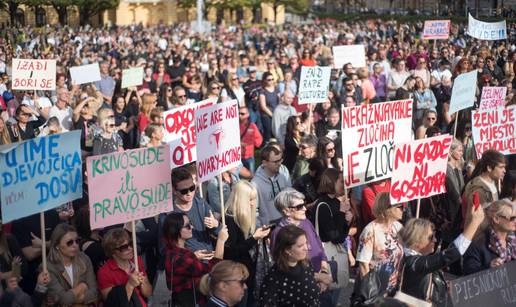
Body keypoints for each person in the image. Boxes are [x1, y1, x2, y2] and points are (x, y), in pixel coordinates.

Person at [397, 199, 485, 306]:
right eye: (430, 237)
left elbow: (449, 251)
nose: (435, 240)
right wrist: (474, 223)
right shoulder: (413, 263)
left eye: (434, 236)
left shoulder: (417, 260)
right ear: (416, 241)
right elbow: (449, 255)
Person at [163, 212, 228, 307]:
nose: (192, 228)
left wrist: (194, 256)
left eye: (191, 224)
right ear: (176, 231)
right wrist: (221, 241)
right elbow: (213, 269)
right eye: (188, 226)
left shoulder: (176, 252)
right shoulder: (178, 258)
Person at [224, 181, 270, 306]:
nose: (252, 203)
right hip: (237, 273)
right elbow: (233, 251)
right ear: (241, 199)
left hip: (249, 270)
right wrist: (254, 238)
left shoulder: (246, 214)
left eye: (254, 199)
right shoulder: (229, 219)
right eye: (250, 199)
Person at [260, 225, 329, 307]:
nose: (307, 248)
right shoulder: (273, 278)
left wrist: (319, 284)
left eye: (306, 243)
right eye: (300, 246)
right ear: (287, 250)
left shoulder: (306, 264)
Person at [270, 189, 328, 274]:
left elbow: (318, 242)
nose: (305, 208)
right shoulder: (278, 233)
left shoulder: (306, 222)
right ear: (286, 211)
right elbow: (280, 263)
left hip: (321, 272)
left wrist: (324, 264)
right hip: (301, 282)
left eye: (304, 204)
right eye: (299, 206)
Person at [356, 192, 404, 294]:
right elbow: (363, 264)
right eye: (400, 206)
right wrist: (369, 292)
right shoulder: (370, 230)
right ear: (388, 208)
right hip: (376, 288)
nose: (403, 209)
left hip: (395, 288)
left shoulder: (399, 228)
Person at [97, 228, 152, 306]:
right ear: (112, 251)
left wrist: (143, 283)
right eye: (124, 247)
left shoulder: (137, 260)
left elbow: (148, 293)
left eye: (130, 244)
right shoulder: (104, 272)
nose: (130, 248)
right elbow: (112, 304)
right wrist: (130, 285)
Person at [46, 224, 98, 306]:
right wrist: (82, 286)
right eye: (69, 242)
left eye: (77, 241)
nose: (75, 245)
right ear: (57, 246)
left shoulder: (84, 258)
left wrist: (72, 298)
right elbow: (64, 300)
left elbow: (94, 292)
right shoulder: (48, 267)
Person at [172, 167, 220, 252]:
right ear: (174, 191)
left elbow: (218, 233)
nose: (189, 193)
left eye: (192, 188)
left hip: (209, 258)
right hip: (188, 262)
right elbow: (165, 249)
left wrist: (215, 225)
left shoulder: (201, 204)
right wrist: (192, 256)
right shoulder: (169, 214)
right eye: (184, 191)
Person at [463, 200, 515, 274]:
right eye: (512, 218)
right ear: (496, 219)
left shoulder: (513, 241)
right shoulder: (478, 243)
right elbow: (468, 272)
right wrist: (488, 267)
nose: (515, 221)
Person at [252, 145, 292, 226]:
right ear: (264, 163)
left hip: (287, 222)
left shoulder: (283, 174)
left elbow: (290, 195)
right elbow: (254, 211)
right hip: (269, 227)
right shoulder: (255, 184)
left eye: (280, 160)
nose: (279, 164)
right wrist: (260, 227)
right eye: (275, 162)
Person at [239, 105, 263, 174]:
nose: (240, 115)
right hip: (238, 156)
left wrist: (250, 143)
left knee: (252, 177)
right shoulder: (234, 125)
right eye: (238, 113)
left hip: (249, 155)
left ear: (248, 114)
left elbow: (259, 140)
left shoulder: (252, 126)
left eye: (242, 114)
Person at [258, 72, 281, 143]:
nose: (271, 81)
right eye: (269, 80)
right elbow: (263, 106)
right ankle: (266, 148)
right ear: (265, 80)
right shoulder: (263, 91)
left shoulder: (276, 89)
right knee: (268, 132)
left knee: (276, 132)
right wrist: (272, 115)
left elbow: (280, 101)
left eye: (272, 79)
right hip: (266, 115)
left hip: (276, 113)